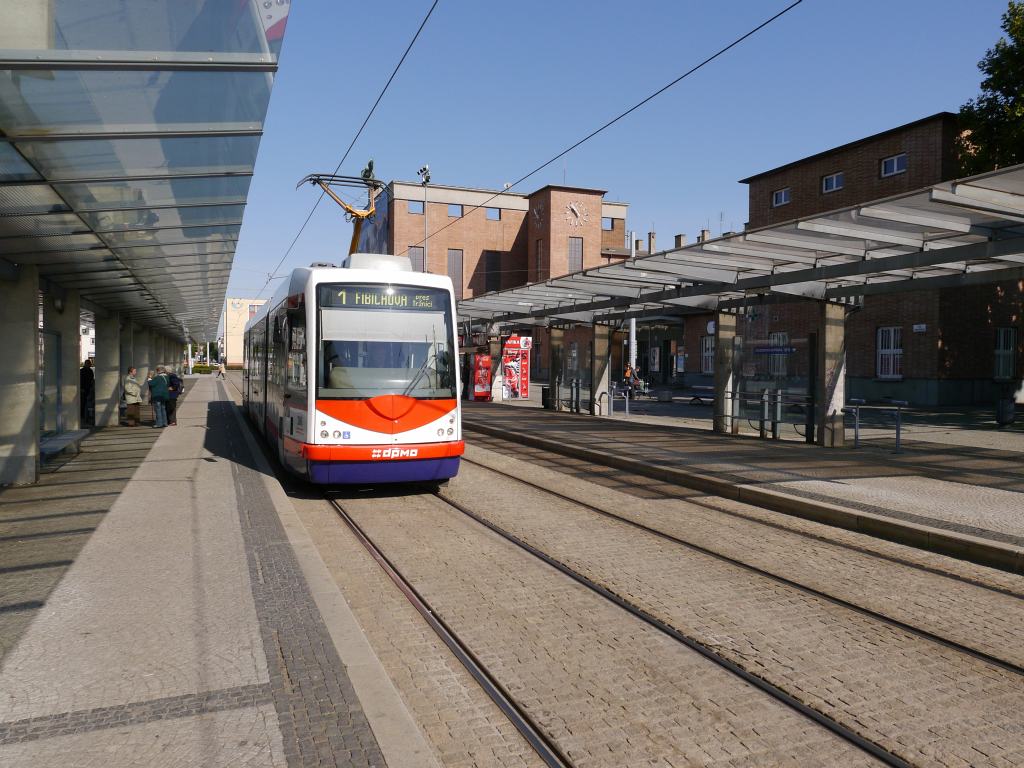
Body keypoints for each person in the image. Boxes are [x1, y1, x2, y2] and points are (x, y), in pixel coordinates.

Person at [80, 359, 95, 426]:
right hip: (85, 389)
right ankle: (83, 415)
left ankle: (84, 415)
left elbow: (91, 380)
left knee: (84, 402)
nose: (89, 365)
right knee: (84, 402)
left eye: (89, 364)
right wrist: (81, 388)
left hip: (86, 389)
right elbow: (91, 380)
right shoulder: (86, 371)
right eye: (89, 364)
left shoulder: (84, 371)